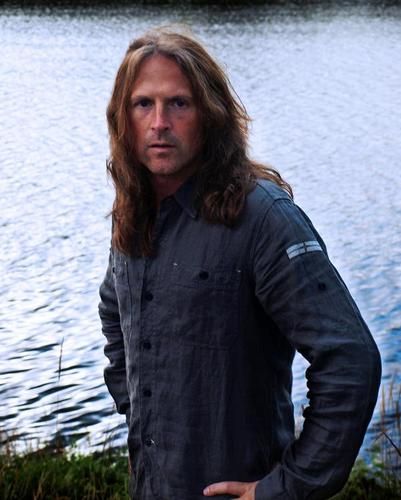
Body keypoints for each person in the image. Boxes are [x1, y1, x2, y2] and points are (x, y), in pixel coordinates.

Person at [98, 28, 381, 500]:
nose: (159, 122)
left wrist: (284, 489)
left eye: (179, 104)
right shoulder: (134, 214)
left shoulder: (264, 219)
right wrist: (143, 416)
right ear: (123, 119)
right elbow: (115, 314)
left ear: (210, 114)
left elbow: (350, 360)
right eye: (143, 104)